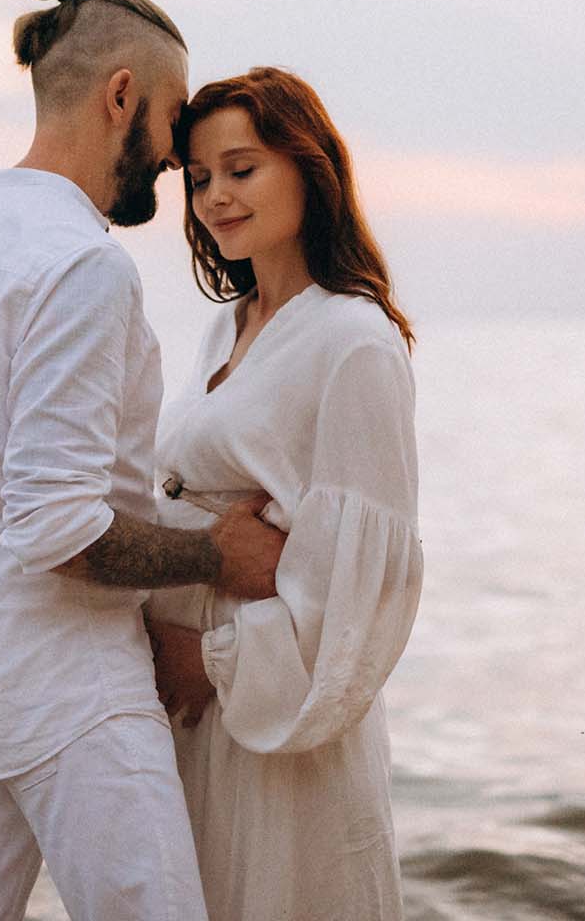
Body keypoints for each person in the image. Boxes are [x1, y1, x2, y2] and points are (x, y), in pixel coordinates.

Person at [0, 0, 289, 921]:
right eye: (176, 120)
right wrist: (211, 554)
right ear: (121, 96)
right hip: (68, 698)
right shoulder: (82, 269)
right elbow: (55, 527)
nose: (181, 158)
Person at [146, 66, 423, 921]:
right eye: (198, 179)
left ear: (309, 167)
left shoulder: (353, 341)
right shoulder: (223, 328)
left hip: (268, 716)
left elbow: (366, 587)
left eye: (242, 169)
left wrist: (212, 662)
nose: (216, 198)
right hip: (192, 715)